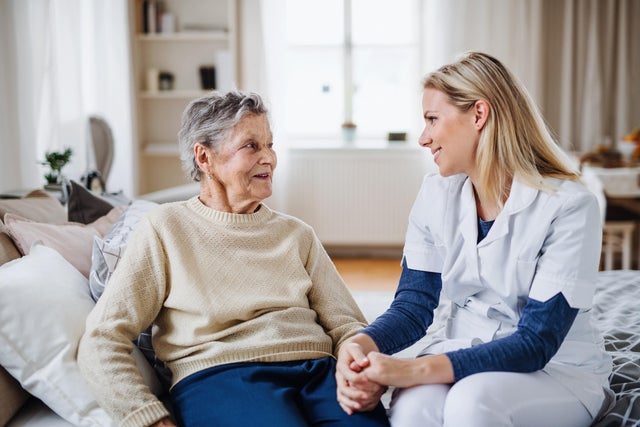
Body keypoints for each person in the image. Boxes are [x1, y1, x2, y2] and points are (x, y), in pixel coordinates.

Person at [78, 90, 390, 427]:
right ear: (204, 157)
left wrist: (357, 366)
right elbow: (103, 336)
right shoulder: (166, 227)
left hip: (319, 370)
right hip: (222, 375)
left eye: (270, 145)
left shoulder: (296, 234)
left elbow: (347, 325)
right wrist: (145, 416)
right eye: (251, 146)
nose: (268, 158)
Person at [335, 51, 613, 427]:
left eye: (433, 119)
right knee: (413, 411)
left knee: (471, 402)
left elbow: (536, 343)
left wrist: (410, 370)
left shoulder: (569, 207)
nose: (423, 138)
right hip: (460, 350)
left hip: (556, 370)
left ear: (479, 115)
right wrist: (359, 345)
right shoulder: (436, 193)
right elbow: (414, 307)